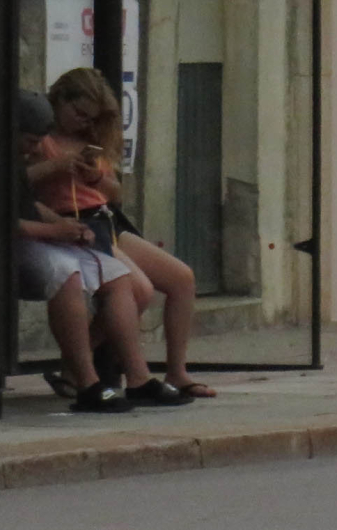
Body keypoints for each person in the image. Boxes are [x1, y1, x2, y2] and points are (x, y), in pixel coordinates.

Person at [40, 67, 212, 401]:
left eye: (91, 118)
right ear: (59, 99)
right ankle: (82, 364)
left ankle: (176, 370)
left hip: (105, 219)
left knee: (182, 278)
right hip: (74, 221)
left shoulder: (90, 142)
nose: (83, 122)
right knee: (139, 291)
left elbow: (115, 193)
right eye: (79, 114)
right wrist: (59, 167)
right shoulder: (44, 141)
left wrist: (94, 178)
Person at [13, 93, 170, 413]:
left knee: (116, 274)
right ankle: (86, 382)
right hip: (13, 244)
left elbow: (30, 206)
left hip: (49, 231)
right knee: (65, 272)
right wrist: (55, 230)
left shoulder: (16, 160)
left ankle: (139, 378)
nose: (32, 149)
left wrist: (65, 226)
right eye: (29, 141)